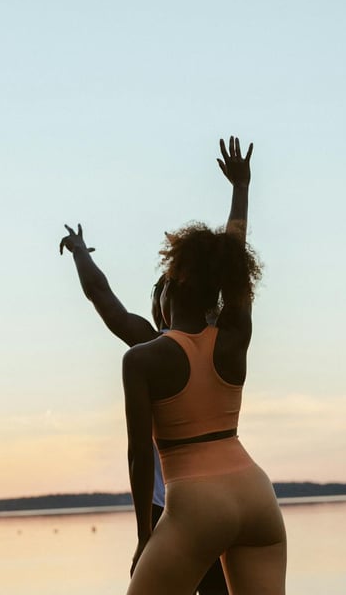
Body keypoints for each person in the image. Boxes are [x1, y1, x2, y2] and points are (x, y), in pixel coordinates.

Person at [59, 136, 253, 594]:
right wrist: (82, 255)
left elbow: (105, 301)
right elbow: (103, 297)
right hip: (219, 495)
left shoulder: (152, 350)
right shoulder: (217, 343)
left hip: (176, 506)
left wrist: (144, 536)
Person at [118, 143, 286, 593]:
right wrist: (241, 190)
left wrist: (143, 537)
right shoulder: (234, 338)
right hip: (256, 497)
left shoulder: (143, 358)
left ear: (171, 289)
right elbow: (236, 264)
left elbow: (139, 455)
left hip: (195, 503)